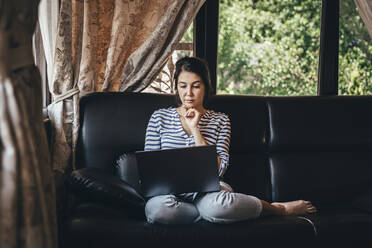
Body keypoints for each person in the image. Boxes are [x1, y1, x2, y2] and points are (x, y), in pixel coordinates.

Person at [144, 56, 316, 225]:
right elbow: (151, 171)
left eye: (196, 86)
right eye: (183, 86)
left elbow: (219, 169)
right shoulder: (160, 117)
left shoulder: (221, 120)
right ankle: (207, 214)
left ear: (206, 87)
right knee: (157, 210)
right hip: (169, 196)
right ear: (176, 87)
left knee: (217, 206)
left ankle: (277, 209)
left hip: (209, 192)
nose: (188, 93)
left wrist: (196, 128)